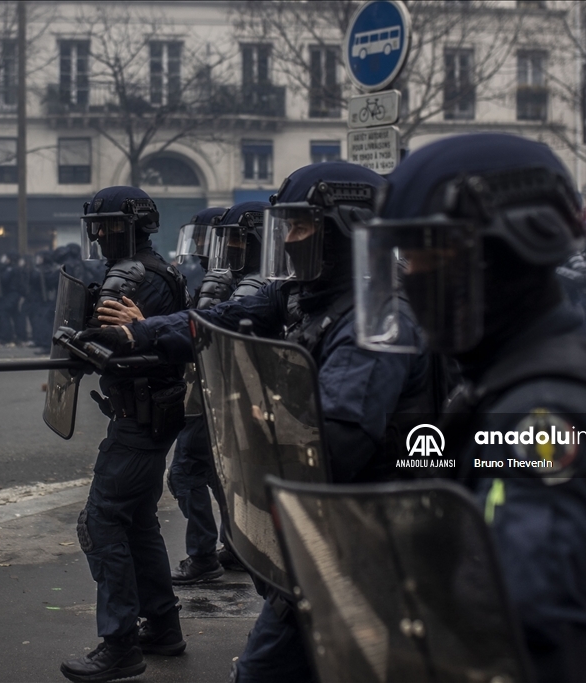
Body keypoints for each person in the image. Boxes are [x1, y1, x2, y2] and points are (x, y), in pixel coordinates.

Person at [84, 161, 434, 683]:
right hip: (321, 538)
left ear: (346, 228)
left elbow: (336, 442)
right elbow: (208, 324)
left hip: (369, 544)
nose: (287, 240)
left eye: (299, 227)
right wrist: (140, 334)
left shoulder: (375, 321)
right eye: (284, 227)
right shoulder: (302, 294)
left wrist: (264, 413)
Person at [358, 132, 586, 682]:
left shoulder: (550, 415)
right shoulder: (529, 376)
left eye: (423, 255)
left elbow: (524, 642)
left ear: (500, 255)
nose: (408, 277)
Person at [59, 186, 191, 683]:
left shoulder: (132, 275)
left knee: (101, 522)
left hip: (140, 418)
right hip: (152, 414)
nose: (99, 233)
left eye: (110, 225)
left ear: (134, 227)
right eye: (97, 225)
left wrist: (78, 342)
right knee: (136, 522)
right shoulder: (164, 271)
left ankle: (119, 645)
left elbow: (114, 348)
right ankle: (161, 626)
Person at [164, 201, 270, 585]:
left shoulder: (237, 282)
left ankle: (203, 556)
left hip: (221, 396)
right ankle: (236, 544)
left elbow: (203, 334)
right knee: (219, 474)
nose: (226, 249)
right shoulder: (250, 280)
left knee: (185, 472)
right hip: (227, 396)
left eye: (234, 239)